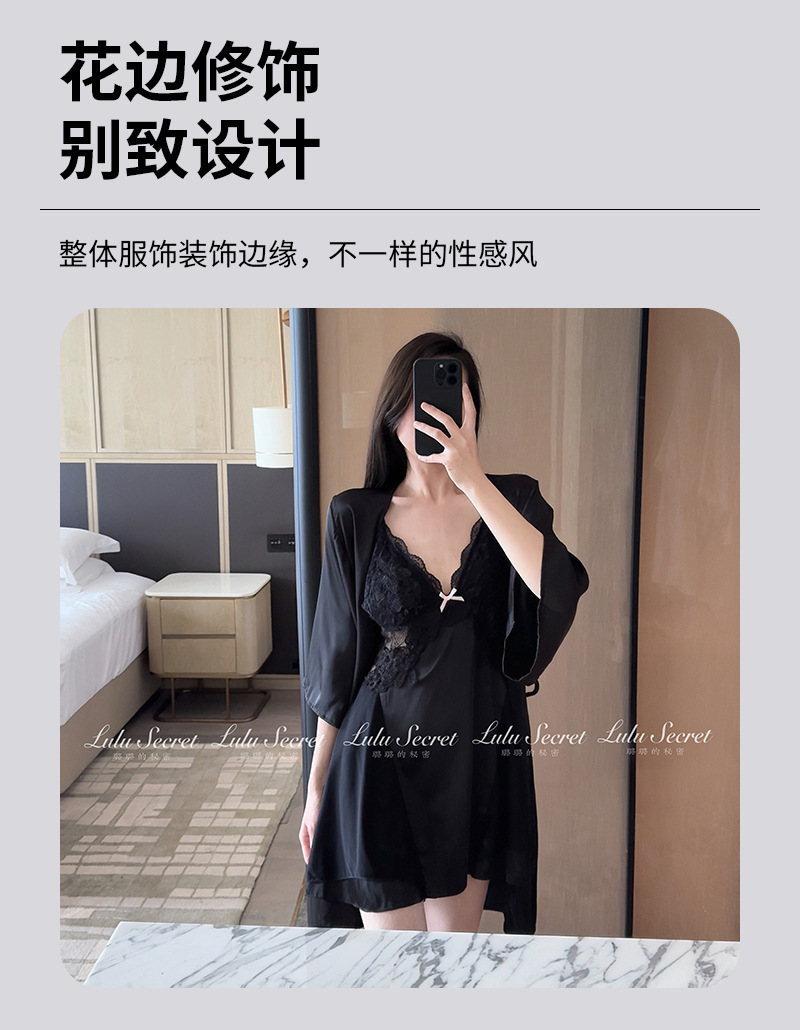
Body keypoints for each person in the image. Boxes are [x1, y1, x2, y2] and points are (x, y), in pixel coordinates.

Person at [299, 332, 588, 934]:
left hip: (476, 764)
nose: (431, 414)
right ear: (391, 416)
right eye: (416, 400)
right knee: (393, 968)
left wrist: (472, 477)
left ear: (472, 410)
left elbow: (555, 586)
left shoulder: (512, 499)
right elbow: (336, 662)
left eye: (450, 398)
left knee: (453, 965)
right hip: (376, 762)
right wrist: (317, 783)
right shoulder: (355, 515)